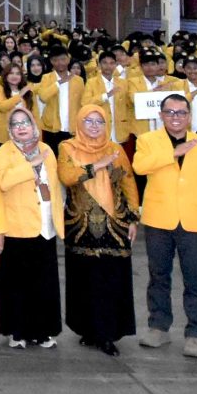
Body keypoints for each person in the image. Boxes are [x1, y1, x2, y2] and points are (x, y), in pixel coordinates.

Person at [131, 93, 197, 355]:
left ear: (189, 116)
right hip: (158, 220)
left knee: (194, 277)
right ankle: (159, 327)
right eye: (170, 112)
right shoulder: (147, 140)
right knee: (158, 275)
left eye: (181, 112)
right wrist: (173, 153)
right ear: (161, 115)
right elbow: (140, 166)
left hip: (194, 220)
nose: (176, 117)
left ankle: (195, 333)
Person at [58, 104, 136, 354]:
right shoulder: (67, 147)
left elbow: (128, 182)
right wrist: (97, 165)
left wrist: (133, 218)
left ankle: (107, 334)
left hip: (114, 224)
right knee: (84, 278)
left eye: (99, 122)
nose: (94, 126)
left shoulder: (115, 149)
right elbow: (66, 176)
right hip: (80, 225)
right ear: (79, 123)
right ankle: (89, 329)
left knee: (110, 278)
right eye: (88, 121)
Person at [0, 107, 66, 348]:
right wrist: (30, 165)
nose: (21, 127)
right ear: (9, 129)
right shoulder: (4, 152)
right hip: (17, 226)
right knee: (17, 283)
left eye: (25, 122)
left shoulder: (46, 149)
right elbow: (2, 182)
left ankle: (43, 332)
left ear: (34, 126)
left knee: (44, 282)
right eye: (15, 124)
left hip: (45, 225)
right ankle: (17, 332)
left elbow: (54, 185)